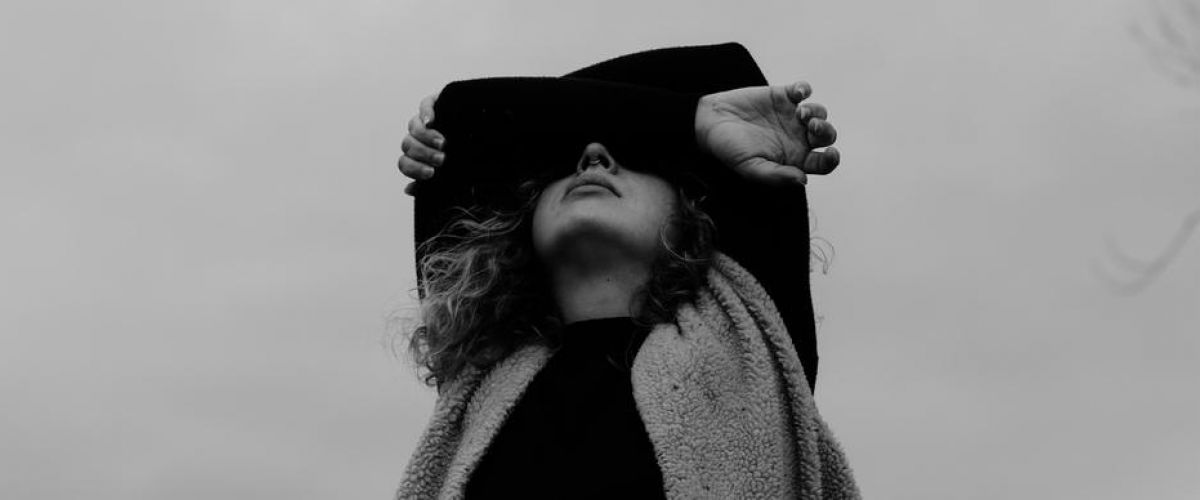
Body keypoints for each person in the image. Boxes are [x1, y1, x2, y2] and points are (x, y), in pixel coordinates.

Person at [394, 43, 859, 499]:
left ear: (695, 214)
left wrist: (691, 121)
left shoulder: (750, 337)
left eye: (635, 157)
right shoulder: (484, 361)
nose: (593, 158)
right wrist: (686, 119)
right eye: (563, 163)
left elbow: (723, 70)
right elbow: (463, 116)